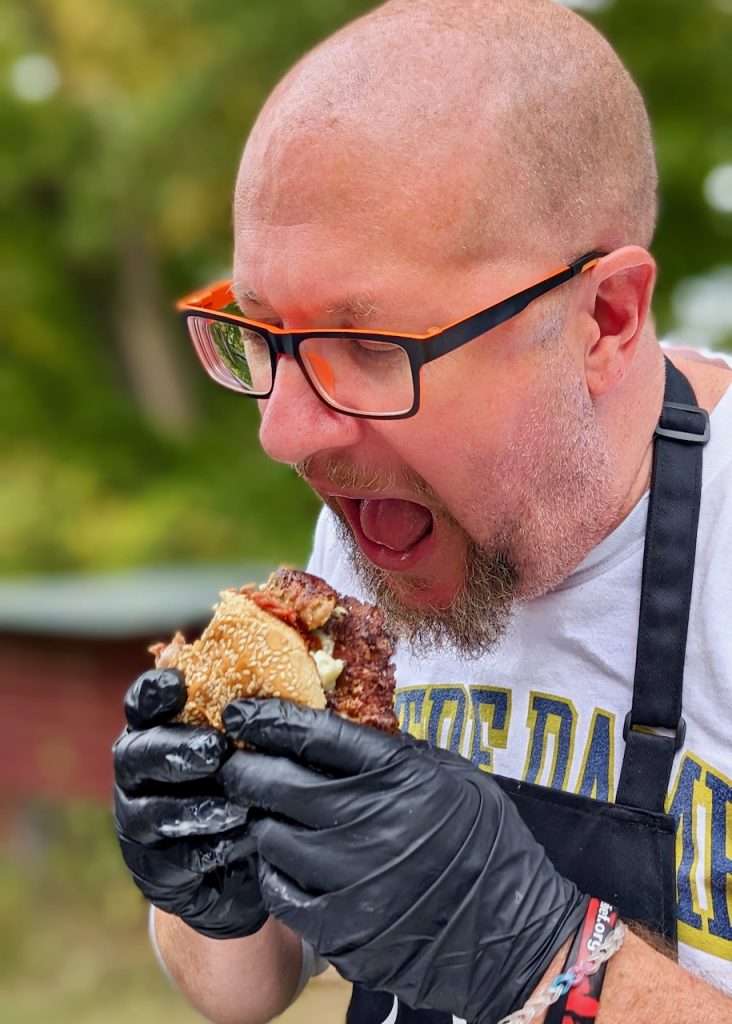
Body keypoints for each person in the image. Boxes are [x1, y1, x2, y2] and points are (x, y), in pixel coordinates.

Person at [113, 1, 732, 1022]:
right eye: (267, 337)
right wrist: (211, 891)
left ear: (605, 319)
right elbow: (247, 988)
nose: (283, 434)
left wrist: (547, 961)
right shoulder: (378, 523)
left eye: (372, 346)